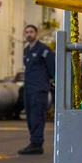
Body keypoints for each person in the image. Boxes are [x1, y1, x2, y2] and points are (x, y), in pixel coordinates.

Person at [18, 24, 55, 155]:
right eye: (26, 32)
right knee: (30, 116)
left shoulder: (44, 50)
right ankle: (34, 141)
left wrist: (50, 82)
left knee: (37, 116)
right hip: (28, 88)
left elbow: (53, 68)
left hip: (39, 89)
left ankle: (37, 143)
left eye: (31, 32)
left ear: (36, 34)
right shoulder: (26, 50)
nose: (29, 34)